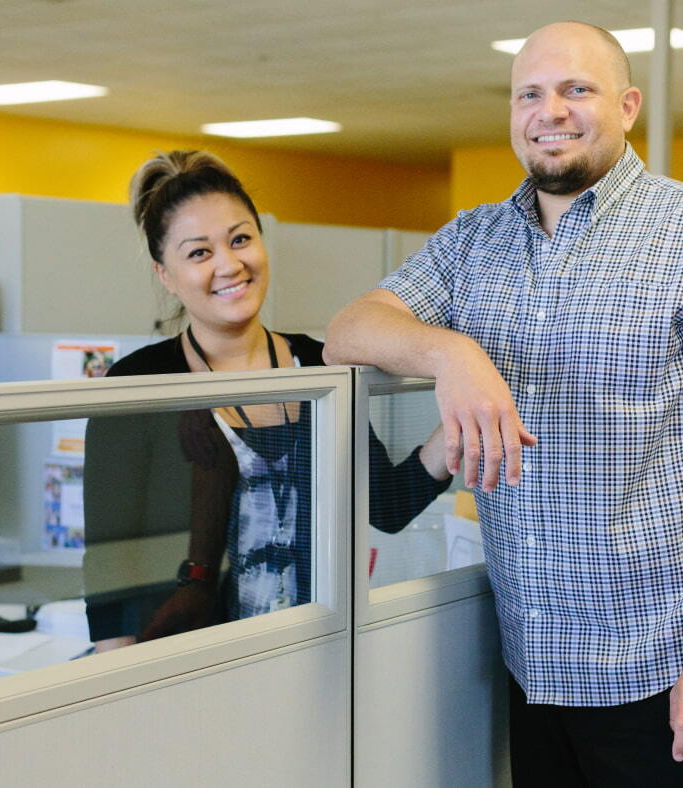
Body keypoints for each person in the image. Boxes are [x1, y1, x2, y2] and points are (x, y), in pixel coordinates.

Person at [323, 21, 683, 787]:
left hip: (678, 660)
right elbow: (348, 332)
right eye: (530, 94)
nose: (551, 111)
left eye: (577, 89)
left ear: (627, 105)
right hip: (540, 665)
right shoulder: (472, 240)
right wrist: (453, 352)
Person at [84, 150, 451, 649]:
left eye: (240, 239)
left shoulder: (320, 364)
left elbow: (386, 503)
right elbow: (109, 559)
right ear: (165, 274)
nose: (230, 264)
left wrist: (465, 405)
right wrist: (120, 684)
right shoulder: (141, 382)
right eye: (199, 252)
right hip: (184, 657)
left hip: (315, 654)